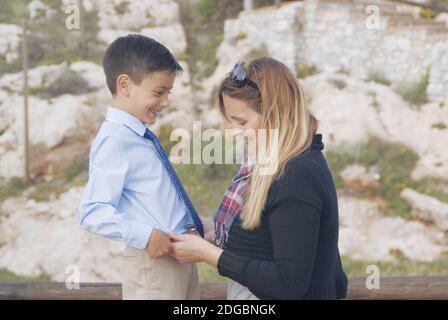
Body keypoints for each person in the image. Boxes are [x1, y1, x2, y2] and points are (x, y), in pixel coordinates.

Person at [169, 57, 348, 300]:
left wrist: (207, 254)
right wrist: (219, 232)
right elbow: (268, 242)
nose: (234, 133)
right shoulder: (275, 161)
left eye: (241, 122)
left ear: (276, 115)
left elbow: (288, 282)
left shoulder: (296, 175)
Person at [79, 34, 211, 300]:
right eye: (159, 92)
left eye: (168, 93)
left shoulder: (138, 136)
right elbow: (92, 212)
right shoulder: (115, 140)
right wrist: (146, 235)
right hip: (154, 264)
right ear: (125, 85)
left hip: (179, 259)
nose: (165, 102)